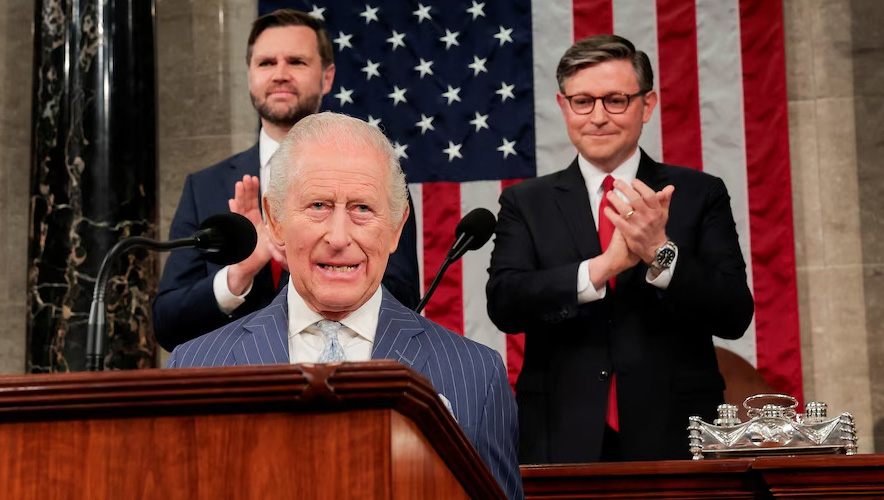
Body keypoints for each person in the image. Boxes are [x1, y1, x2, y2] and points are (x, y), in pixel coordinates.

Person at [166, 113, 523, 499]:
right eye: (318, 205)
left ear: (396, 228)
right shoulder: (195, 368)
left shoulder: (476, 375)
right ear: (276, 221)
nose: (338, 238)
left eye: (362, 209)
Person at [486, 35, 754, 464]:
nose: (598, 117)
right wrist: (601, 268)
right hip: (560, 435)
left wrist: (660, 253)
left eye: (615, 100)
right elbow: (505, 304)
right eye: (582, 102)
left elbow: (734, 314)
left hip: (675, 435)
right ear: (563, 106)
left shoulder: (699, 193)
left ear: (647, 105)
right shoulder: (525, 202)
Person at [153, 9, 420, 352]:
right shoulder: (204, 188)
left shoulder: (376, 177)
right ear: (249, 75)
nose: (280, 74)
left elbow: (405, 300)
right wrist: (239, 274)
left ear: (327, 77)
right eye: (266, 63)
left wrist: (298, 258)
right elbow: (167, 325)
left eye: (296, 62)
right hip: (235, 378)